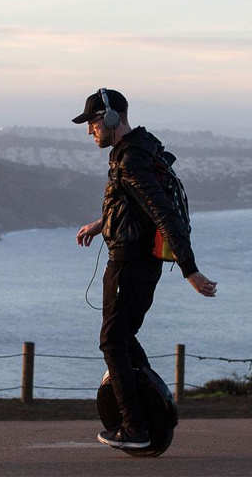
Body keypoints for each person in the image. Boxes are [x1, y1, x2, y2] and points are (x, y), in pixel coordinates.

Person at [73, 88, 217, 450]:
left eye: (92, 122)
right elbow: (130, 205)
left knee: (112, 340)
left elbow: (162, 213)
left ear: (110, 118)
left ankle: (135, 428)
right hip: (137, 262)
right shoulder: (139, 149)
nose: (90, 130)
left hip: (130, 264)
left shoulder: (131, 159)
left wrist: (190, 270)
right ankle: (152, 413)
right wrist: (99, 224)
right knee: (122, 337)